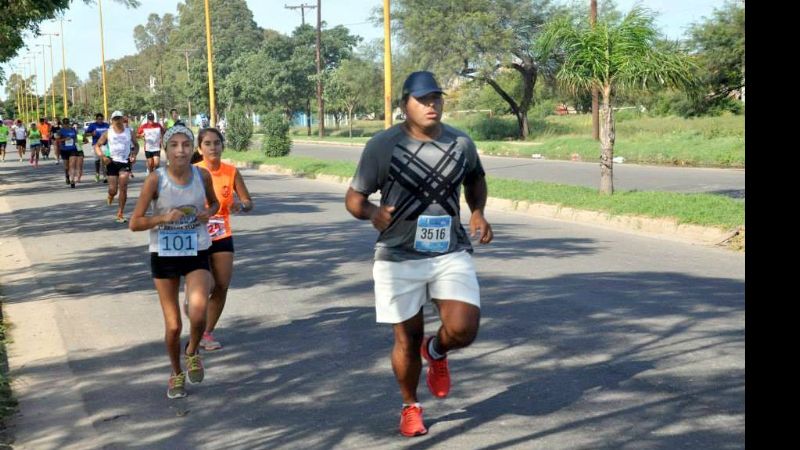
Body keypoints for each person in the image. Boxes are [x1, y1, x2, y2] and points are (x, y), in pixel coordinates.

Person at [344, 71, 494, 438]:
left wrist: (477, 211)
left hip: (449, 250)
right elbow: (354, 199)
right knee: (406, 340)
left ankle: (438, 350)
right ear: (404, 106)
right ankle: (410, 406)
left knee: (464, 327)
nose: (431, 105)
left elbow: (475, 178)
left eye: (436, 99)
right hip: (398, 256)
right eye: (422, 100)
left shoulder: (460, 142)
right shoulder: (382, 146)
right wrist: (371, 214)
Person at [129, 125, 220, 399]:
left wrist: (207, 213)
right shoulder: (156, 180)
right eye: (174, 145)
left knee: (199, 310)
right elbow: (135, 223)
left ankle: (191, 351)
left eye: (186, 144)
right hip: (164, 254)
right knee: (173, 326)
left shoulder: (201, 175)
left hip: (196, 250)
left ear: (192, 149)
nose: (180, 150)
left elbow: (214, 204)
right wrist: (161, 219)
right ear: (166, 150)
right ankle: (175, 372)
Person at [193, 127, 253, 350]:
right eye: (207, 143)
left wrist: (242, 206)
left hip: (222, 234)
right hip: (196, 234)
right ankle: (195, 317)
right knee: (204, 286)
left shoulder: (231, 172)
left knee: (221, 284)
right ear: (200, 148)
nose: (213, 147)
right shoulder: (192, 172)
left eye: (216, 143)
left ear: (222, 146)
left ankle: (206, 333)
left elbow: (249, 201)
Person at [94, 110, 139, 222]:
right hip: (112, 162)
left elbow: (136, 145)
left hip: (125, 162)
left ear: (122, 119)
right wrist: (102, 157)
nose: (118, 121)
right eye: (115, 119)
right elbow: (97, 146)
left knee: (123, 187)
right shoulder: (107, 133)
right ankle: (111, 195)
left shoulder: (129, 132)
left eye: (119, 118)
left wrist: (134, 154)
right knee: (113, 190)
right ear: (112, 121)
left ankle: (120, 213)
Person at [84, 113, 109, 183]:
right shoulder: (92, 125)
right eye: (98, 119)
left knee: (104, 160)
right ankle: (97, 174)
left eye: (101, 119)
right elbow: (85, 134)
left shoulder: (106, 125)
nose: (100, 120)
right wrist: (92, 134)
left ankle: (105, 176)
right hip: (96, 145)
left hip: (105, 145)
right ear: (96, 119)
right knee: (97, 161)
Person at [54, 118, 79, 187]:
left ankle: (72, 180)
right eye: (64, 124)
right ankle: (67, 176)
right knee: (66, 166)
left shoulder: (73, 130)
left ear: (69, 123)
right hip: (64, 150)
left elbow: (76, 138)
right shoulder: (60, 131)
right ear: (62, 124)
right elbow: (57, 140)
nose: (66, 125)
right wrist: (65, 139)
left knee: (72, 165)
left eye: (67, 123)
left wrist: (78, 143)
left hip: (73, 149)